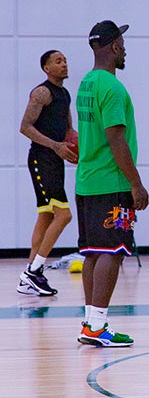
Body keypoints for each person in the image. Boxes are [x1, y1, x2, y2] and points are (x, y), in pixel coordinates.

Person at [75, 21, 148, 347]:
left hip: (87, 182)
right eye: (123, 42)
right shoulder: (113, 88)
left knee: (93, 253)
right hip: (112, 182)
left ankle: (91, 322)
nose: (126, 48)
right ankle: (98, 325)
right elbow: (116, 138)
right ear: (114, 47)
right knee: (112, 252)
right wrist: (136, 184)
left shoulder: (87, 82)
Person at [18, 50, 78, 296]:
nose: (64, 64)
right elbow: (25, 127)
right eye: (58, 61)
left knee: (45, 216)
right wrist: (55, 146)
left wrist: (76, 148)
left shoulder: (64, 93)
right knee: (63, 216)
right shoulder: (41, 92)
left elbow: (69, 130)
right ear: (46, 68)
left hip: (55, 161)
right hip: (41, 159)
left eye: (65, 60)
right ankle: (34, 271)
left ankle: (28, 280)